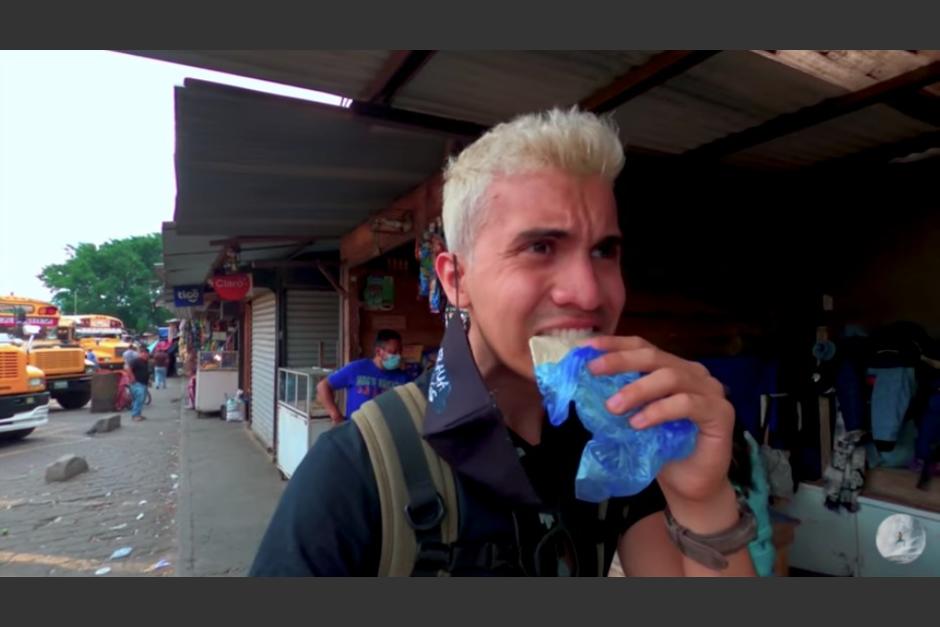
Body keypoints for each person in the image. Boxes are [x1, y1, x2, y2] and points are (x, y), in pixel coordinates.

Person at [250, 109, 755, 577]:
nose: (588, 292)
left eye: (604, 250)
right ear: (456, 279)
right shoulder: (353, 473)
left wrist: (704, 500)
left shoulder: (612, 444)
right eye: (539, 247)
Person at [315, 329, 413, 427]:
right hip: (357, 431)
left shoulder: (403, 377)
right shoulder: (357, 368)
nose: (398, 356)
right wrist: (335, 415)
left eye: (400, 351)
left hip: (385, 433)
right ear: (379, 352)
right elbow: (323, 386)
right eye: (394, 352)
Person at [128, 352, 150, 422]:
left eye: (146, 354)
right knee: (139, 399)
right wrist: (132, 377)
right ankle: (135, 415)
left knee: (140, 400)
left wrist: (148, 381)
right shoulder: (136, 361)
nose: (145, 355)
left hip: (143, 383)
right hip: (137, 383)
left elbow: (144, 372)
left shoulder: (145, 362)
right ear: (140, 354)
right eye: (144, 353)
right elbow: (128, 369)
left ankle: (138, 414)